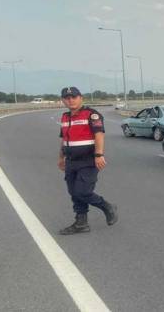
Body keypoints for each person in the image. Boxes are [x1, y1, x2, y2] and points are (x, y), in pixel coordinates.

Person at [58, 87, 118, 235]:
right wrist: (61, 157)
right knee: (73, 192)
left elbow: (99, 135)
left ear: (81, 98)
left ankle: (107, 207)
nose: (70, 100)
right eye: (67, 98)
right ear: (63, 100)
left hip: (88, 160)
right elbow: (64, 139)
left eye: (73, 97)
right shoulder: (65, 117)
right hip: (71, 161)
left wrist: (99, 155)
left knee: (83, 191)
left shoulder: (91, 115)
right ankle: (81, 223)